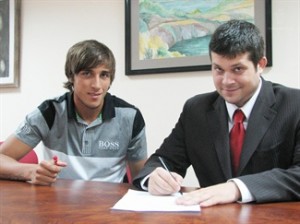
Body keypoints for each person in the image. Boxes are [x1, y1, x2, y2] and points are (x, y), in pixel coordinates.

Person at [133, 20, 300, 207]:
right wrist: (154, 177)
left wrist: (237, 188)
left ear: (260, 64)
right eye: (218, 69)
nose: (227, 81)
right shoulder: (196, 110)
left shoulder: (294, 105)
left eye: (237, 69)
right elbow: (162, 160)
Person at [0, 40, 147, 185]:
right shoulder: (49, 112)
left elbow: (140, 180)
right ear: (71, 76)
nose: (96, 85)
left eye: (104, 75)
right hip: (58, 204)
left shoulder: (130, 117)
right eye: (87, 73)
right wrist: (30, 171)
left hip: (110, 205)